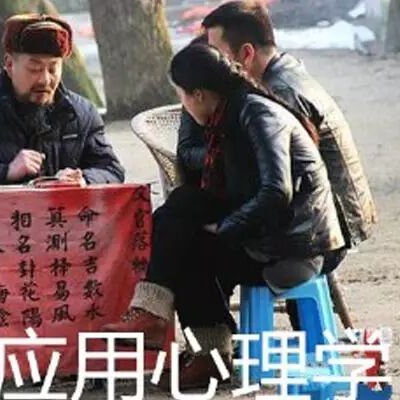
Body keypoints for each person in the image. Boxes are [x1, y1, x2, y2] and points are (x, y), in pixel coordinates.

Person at [102, 43, 345, 389]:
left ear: (199, 95)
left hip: (293, 249)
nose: (184, 106)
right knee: (181, 213)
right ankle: (186, 339)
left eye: (182, 96)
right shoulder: (229, 115)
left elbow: (277, 192)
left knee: (186, 242)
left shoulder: (258, 115)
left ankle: (192, 343)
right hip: (267, 236)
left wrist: (226, 228)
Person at [178, 0, 376, 255]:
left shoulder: (276, 96)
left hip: (325, 228)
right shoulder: (281, 71)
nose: (211, 61)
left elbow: (276, 187)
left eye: (217, 54)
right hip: (327, 218)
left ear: (246, 54)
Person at [0, 14, 124, 191]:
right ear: (9, 64)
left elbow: (111, 169)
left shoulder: (80, 114)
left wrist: (84, 180)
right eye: (34, 69)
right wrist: (5, 171)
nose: (45, 79)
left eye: (53, 68)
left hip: (63, 223)